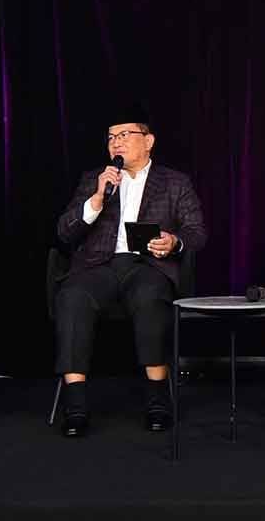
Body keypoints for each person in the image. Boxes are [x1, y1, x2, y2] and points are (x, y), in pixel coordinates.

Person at [53, 105, 207, 437]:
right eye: (111, 138)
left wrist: (173, 242)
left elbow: (197, 232)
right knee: (72, 296)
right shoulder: (95, 180)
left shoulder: (174, 182)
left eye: (124, 135)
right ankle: (75, 403)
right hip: (100, 265)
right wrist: (96, 199)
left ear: (148, 141)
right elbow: (65, 232)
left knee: (150, 296)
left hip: (148, 265)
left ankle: (157, 398)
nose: (116, 143)